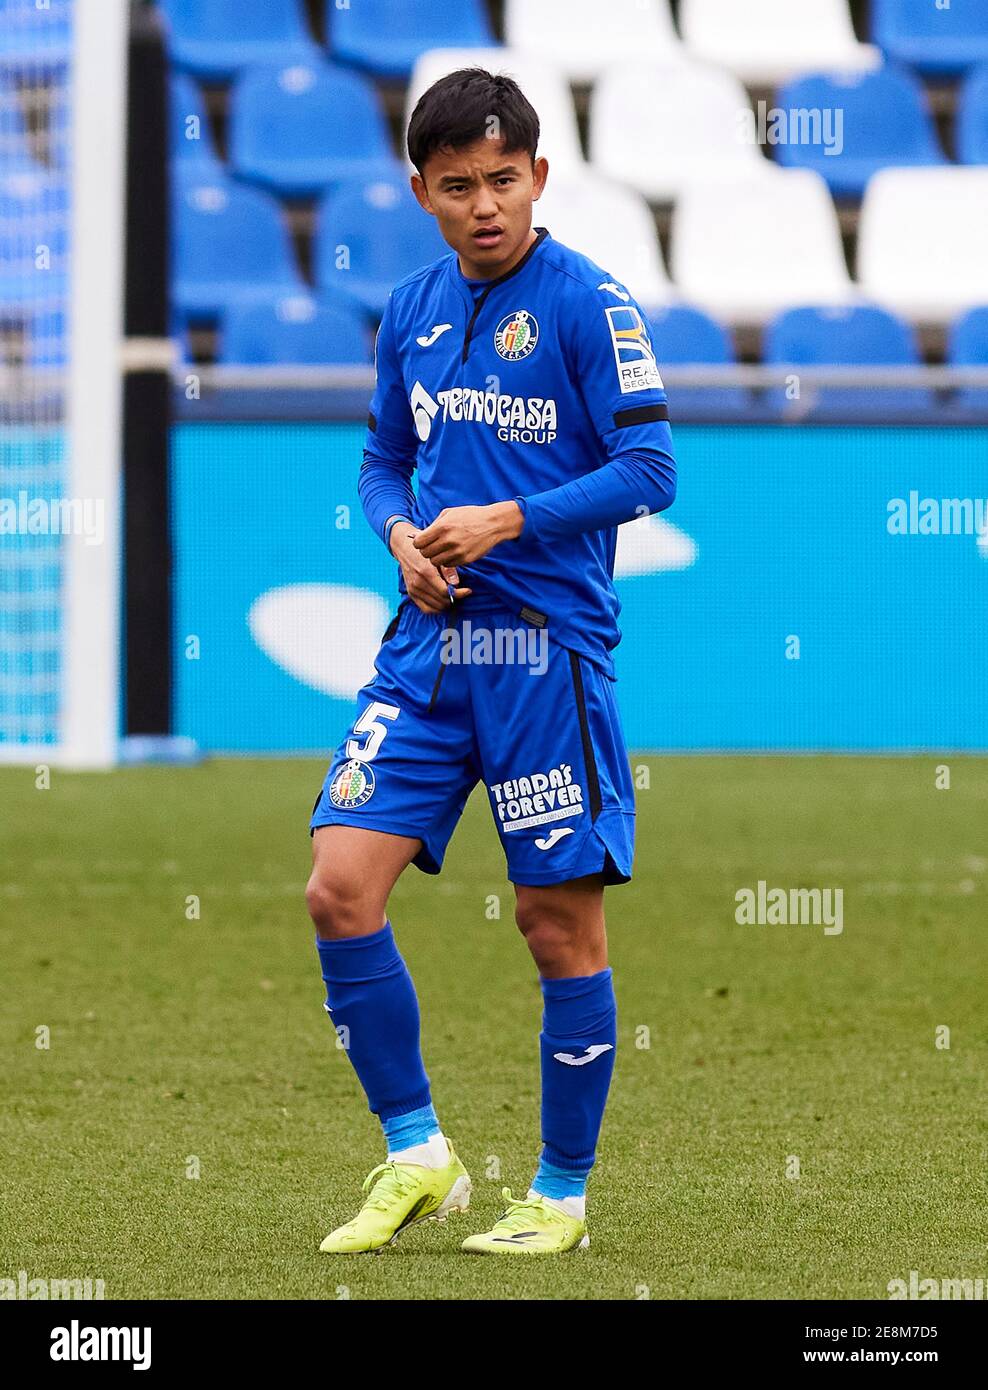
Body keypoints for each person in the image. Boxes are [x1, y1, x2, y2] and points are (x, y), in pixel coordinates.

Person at [306, 67, 676, 1256]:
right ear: (420, 190)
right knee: (336, 887)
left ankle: (560, 1196)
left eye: (502, 180)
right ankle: (420, 1155)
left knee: (552, 925)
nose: (483, 205)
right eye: (457, 185)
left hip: (541, 658)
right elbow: (377, 458)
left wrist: (508, 521)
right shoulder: (408, 309)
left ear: (539, 178)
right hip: (425, 652)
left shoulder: (587, 304)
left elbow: (651, 471)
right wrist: (400, 534)